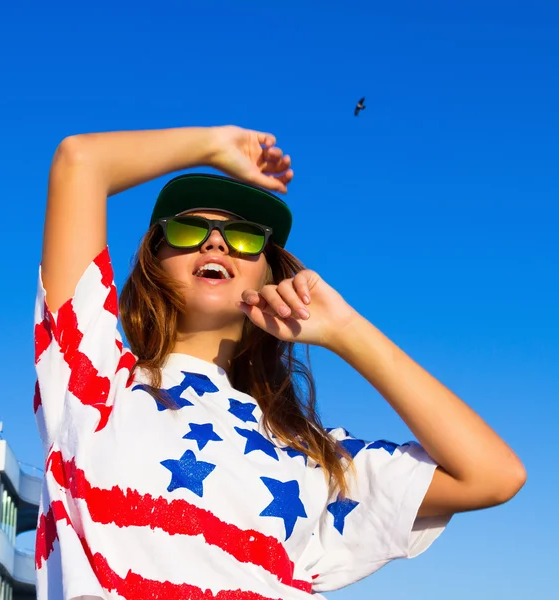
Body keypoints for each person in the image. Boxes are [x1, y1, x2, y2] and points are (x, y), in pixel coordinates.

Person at [33, 125, 526, 600]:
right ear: (151, 264)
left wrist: (346, 331)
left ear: (268, 275)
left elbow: (492, 475)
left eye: (245, 237)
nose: (215, 242)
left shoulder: (310, 453)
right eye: (188, 229)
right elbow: (81, 161)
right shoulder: (92, 379)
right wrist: (211, 146)